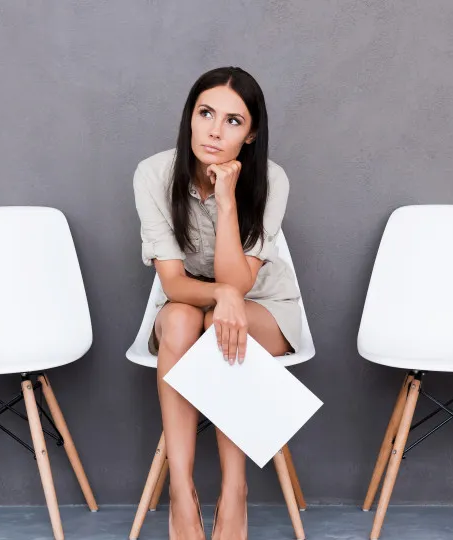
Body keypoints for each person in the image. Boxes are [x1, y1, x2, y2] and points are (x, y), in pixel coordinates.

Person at [133, 66, 301, 540]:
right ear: (190, 116)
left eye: (233, 121)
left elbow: (239, 283)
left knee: (216, 328)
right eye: (206, 113)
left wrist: (227, 199)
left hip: (263, 305)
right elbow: (173, 283)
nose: (214, 130)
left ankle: (234, 491)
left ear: (251, 135)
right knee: (184, 322)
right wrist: (221, 295)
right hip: (191, 298)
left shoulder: (272, 179)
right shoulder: (154, 174)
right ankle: (181, 491)